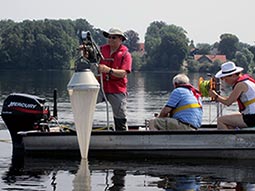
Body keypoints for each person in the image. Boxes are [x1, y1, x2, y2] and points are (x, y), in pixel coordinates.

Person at [97, 28, 132, 131]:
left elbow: (123, 73)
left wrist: (108, 70)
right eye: (109, 37)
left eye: (113, 37)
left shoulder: (126, 55)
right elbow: (91, 58)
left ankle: (122, 134)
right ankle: (83, 129)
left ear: (120, 39)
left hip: (117, 89)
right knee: (86, 101)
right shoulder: (101, 50)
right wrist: (86, 51)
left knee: (120, 114)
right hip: (101, 86)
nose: (110, 39)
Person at [209, 61, 255, 130]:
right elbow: (231, 99)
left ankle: (227, 140)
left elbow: (228, 102)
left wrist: (215, 96)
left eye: (224, 78)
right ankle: (236, 140)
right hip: (251, 115)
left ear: (233, 75)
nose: (224, 80)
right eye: (222, 78)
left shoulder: (240, 85)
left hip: (251, 117)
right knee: (229, 125)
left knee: (221, 120)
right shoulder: (247, 81)